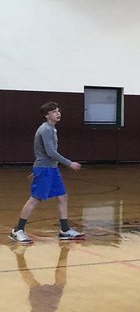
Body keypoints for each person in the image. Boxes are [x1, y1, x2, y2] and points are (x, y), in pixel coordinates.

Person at [11, 102, 84, 243]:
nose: (58, 113)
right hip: (44, 169)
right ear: (46, 115)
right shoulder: (45, 129)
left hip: (52, 169)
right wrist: (70, 163)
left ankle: (65, 230)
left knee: (62, 197)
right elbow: (50, 153)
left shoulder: (52, 129)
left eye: (58, 111)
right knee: (35, 199)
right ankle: (18, 230)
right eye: (54, 112)